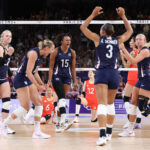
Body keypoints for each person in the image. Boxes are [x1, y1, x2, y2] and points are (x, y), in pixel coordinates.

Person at [80, 6, 133, 146]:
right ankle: (109, 133)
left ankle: (102, 136)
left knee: (102, 104)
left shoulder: (98, 39)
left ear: (102, 31)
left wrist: (92, 15)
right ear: (113, 32)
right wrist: (123, 16)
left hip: (102, 73)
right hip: (115, 74)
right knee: (110, 104)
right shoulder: (118, 40)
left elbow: (83, 28)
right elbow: (130, 31)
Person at [1, 40, 55, 139]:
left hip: (27, 79)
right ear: (46, 48)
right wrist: (38, 87)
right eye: (51, 49)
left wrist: (42, 84)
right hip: (21, 79)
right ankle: (3, 124)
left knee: (39, 102)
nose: (51, 52)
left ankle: (37, 132)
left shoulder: (40, 56)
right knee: (25, 107)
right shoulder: (34, 53)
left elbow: (35, 73)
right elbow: (29, 72)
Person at [118, 34, 150, 137]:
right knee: (133, 103)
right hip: (140, 79)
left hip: (147, 78)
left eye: (140, 39)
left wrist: (123, 49)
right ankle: (130, 130)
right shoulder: (139, 51)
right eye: (137, 39)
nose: (138, 41)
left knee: (143, 107)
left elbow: (133, 61)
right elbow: (133, 64)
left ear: (144, 41)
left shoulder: (145, 51)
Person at [49, 33, 78, 132]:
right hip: (57, 76)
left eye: (69, 40)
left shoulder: (72, 52)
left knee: (62, 100)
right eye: (66, 40)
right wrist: (49, 80)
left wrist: (75, 81)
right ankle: (64, 120)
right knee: (61, 97)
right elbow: (51, 67)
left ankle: (58, 123)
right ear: (62, 41)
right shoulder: (56, 51)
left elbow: (73, 68)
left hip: (67, 77)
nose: (68, 42)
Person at [120, 37, 142, 129]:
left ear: (135, 43)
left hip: (132, 76)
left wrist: (122, 55)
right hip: (139, 76)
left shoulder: (133, 52)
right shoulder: (141, 52)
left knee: (125, 97)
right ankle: (138, 122)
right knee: (136, 100)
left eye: (131, 42)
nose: (129, 43)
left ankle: (130, 120)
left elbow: (126, 65)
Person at [0, 30, 15, 134]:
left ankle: (3, 126)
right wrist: (9, 54)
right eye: (6, 36)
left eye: (10, 36)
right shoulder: (0, 47)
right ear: (2, 37)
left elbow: (6, 65)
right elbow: (0, 62)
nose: (8, 38)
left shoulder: (7, 48)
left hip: (3, 79)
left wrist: (10, 75)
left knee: (7, 103)